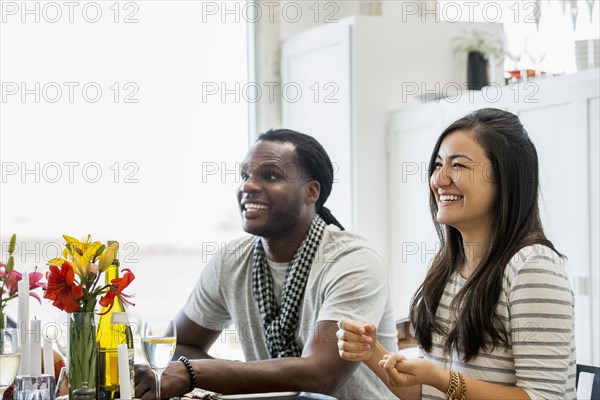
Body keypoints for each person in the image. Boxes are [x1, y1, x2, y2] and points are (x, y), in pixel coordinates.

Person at [135, 129, 397, 399]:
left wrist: (194, 373)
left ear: (311, 192)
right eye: (245, 176)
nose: (248, 186)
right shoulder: (232, 260)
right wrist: (236, 376)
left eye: (270, 176)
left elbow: (320, 376)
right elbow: (178, 346)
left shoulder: (352, 261)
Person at [336, 108, 576, 399]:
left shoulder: (533, 266)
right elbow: (424, 393)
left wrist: (442, 379)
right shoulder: (448, 266)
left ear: (505, 178)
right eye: (437, 165)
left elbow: (544, 397)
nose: (439, 179)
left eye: (458, 165)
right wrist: (372, 352)